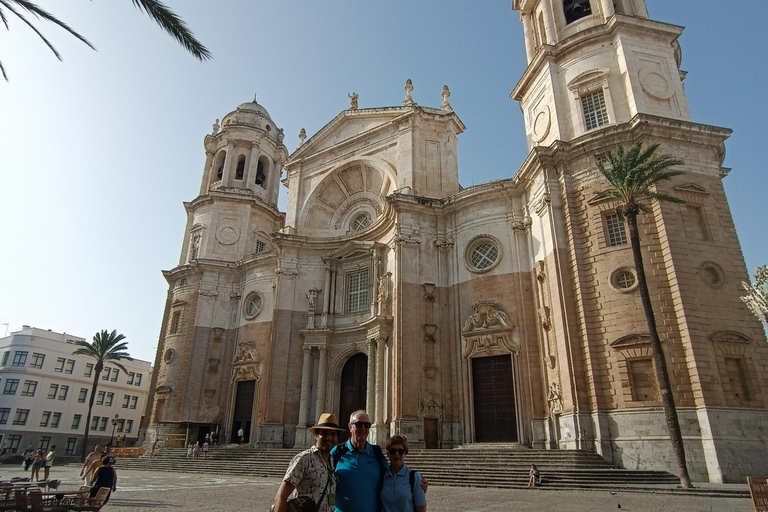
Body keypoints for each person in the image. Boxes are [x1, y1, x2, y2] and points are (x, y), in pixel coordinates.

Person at [332, 410, 429, 512]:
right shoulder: (337, 452)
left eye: (367, 425)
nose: (363, 428)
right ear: (350, 427)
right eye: (359, 424)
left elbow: (392, 475)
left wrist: (418, 483)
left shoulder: (377, 453)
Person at [272, 413, 344, 512]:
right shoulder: (304, 459)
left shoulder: (333, 462)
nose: (329, 438)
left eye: (333, 434)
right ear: (316, 435)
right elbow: (281, 496)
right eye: (325, 433)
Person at [381, 435, 426, 512]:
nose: (397, 454)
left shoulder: (414, 477)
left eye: (401, 451)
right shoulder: (381, 476)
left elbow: (421, 509)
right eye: (393, 451)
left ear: (405, 453)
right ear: (387, 453)